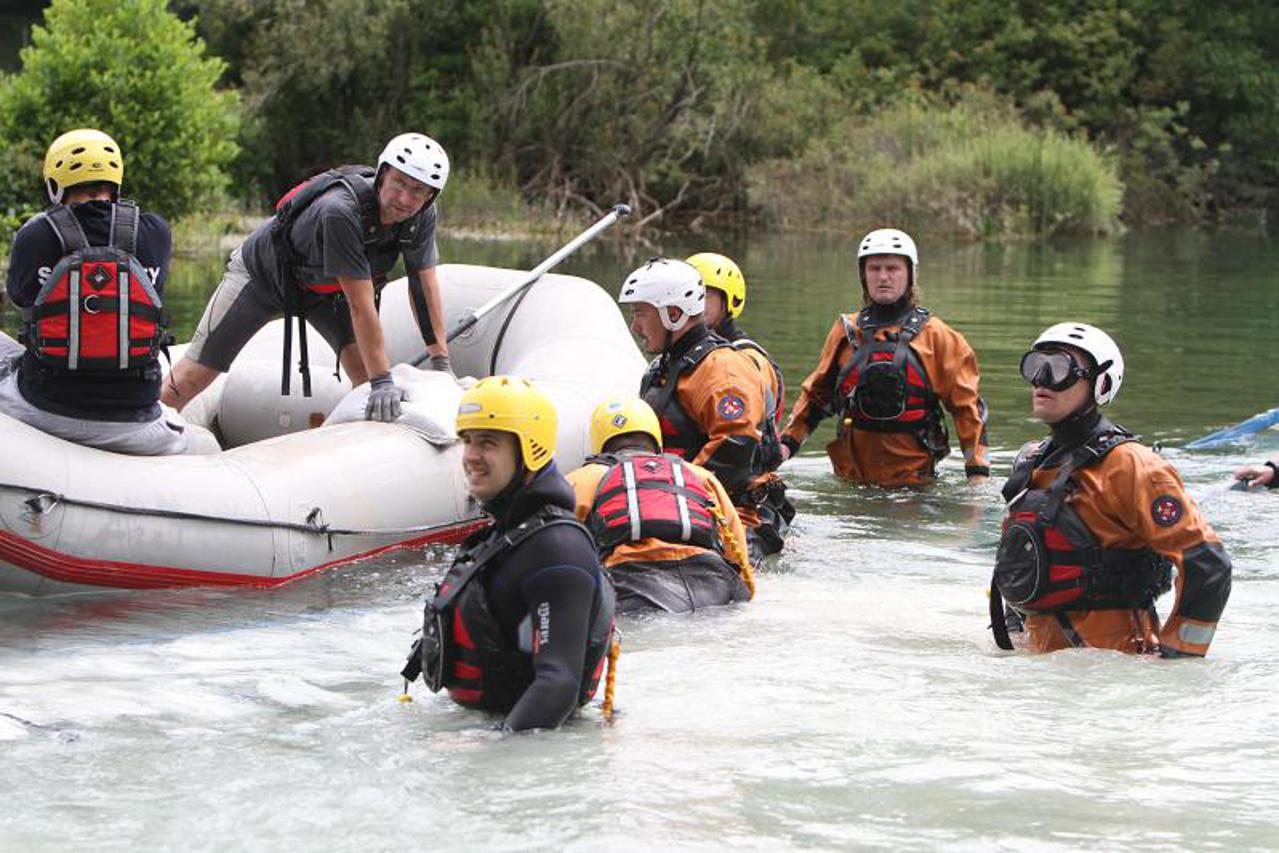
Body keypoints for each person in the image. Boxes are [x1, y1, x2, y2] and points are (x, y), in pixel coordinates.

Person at [162, 132, 452, 422]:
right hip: (263, 277)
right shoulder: (340, 211)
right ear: (382, 175)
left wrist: (440, 362)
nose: (404, 199)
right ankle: (148, 425)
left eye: (418, 191)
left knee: (366, 375)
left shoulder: (422, 216)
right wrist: (383, 381)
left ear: (430, 196)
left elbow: (424, 285)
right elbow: (360, 305)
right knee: (194, 375)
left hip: (327, 291)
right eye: (399, 183)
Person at [989, 323, 1232, 656]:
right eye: (1036, 366)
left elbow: (1208, 565)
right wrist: (1014, 637)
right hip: (1038, 657)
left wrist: (1179, 657)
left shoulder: (1133, 466)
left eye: (1059, 368)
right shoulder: (1032, 461)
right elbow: (1019, 562)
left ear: (1101, 384)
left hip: (1115, 662)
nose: (1041, 380)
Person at [401, 376, 617, 730]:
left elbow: (558, 684)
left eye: (488, 442)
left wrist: (491, 748)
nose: (471, 456)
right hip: (484, 727)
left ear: (530, 449)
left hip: (530, 745)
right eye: (467, 440)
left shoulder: (559, 549)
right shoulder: (504, 537)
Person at [1, 128, 187, 455]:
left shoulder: (35, 233)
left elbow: (19, 298)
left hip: (44, 405)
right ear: (115, 182)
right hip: (138, 412)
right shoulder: (155, 230)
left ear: (55, 185)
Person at [780, 228, 990, 487]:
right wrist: (784, 446)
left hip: (915, 487)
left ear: (911, 273)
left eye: (892, 268)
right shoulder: (846, 332)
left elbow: (967, 411)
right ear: (863, 274)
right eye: (874, 269)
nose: (883, 277)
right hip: (849, 484)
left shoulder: (940, 338)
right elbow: (815, 398)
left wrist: (977, 477)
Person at [618, 257, 780, 567]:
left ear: (673, 314)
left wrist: (668, 498)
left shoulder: (723, 369)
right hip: (678, 508)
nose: (634, 327)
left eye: (640, 313)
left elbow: (734, 449)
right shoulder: (663, 368)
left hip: (736, 518)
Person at [565, 397, 754, 613]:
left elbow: (560, 549)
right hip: (714, 586)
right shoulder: (700, 476)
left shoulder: (582, 479)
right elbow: (738, 550)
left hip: (632, 591)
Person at [686, 251, 795, 559]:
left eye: (704, 295)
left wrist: (681, 487)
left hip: (747, 506)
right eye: (688, 294)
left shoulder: (745, 361)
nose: (694, 303)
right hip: (710, 492)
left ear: (729, 301)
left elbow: (740, 435)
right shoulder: (688, 361)